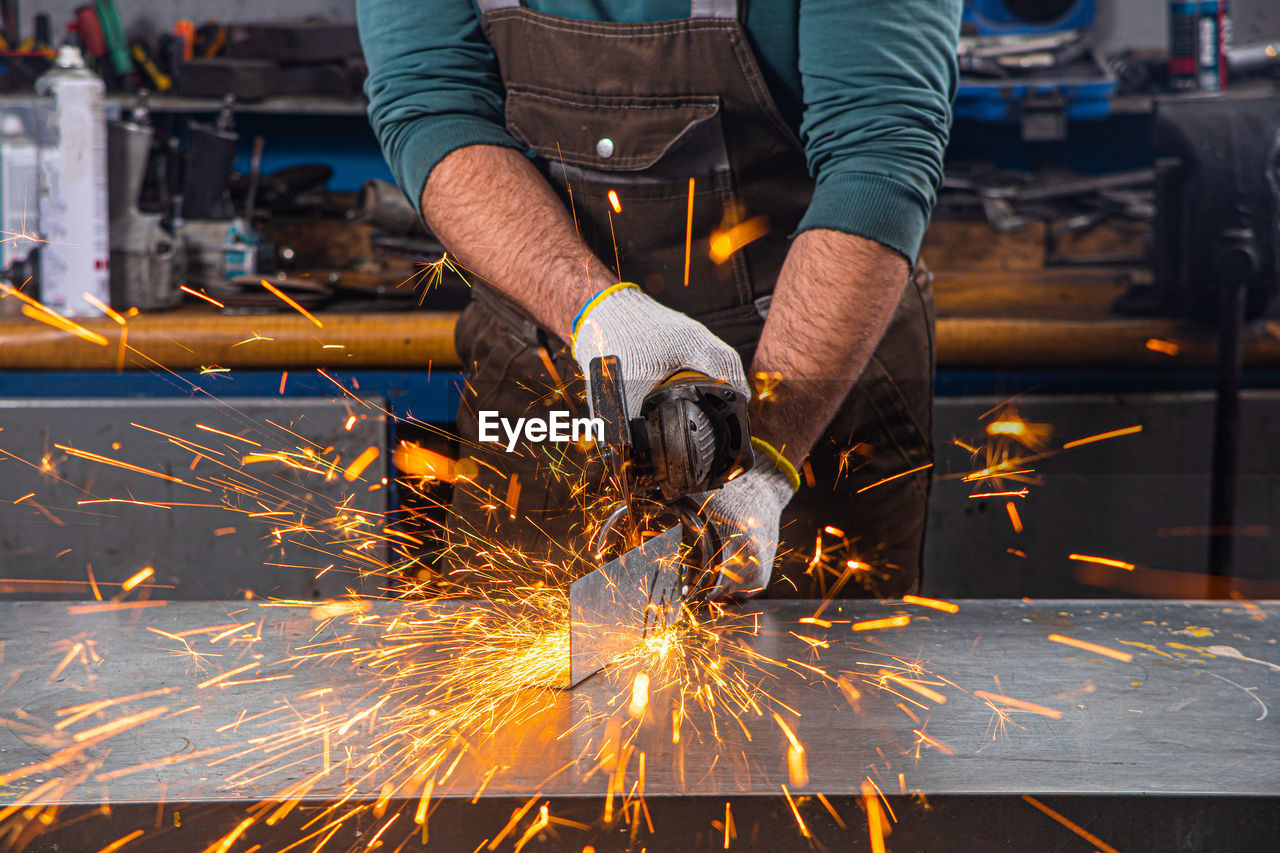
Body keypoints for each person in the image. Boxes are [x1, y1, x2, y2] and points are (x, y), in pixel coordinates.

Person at [359, 0, 962, 599]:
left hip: (805, 359)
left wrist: (769, 456)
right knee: (522, 672)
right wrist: (594, 309)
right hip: (550, 353)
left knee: (817, 677)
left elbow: (878, 152)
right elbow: (432, 107)